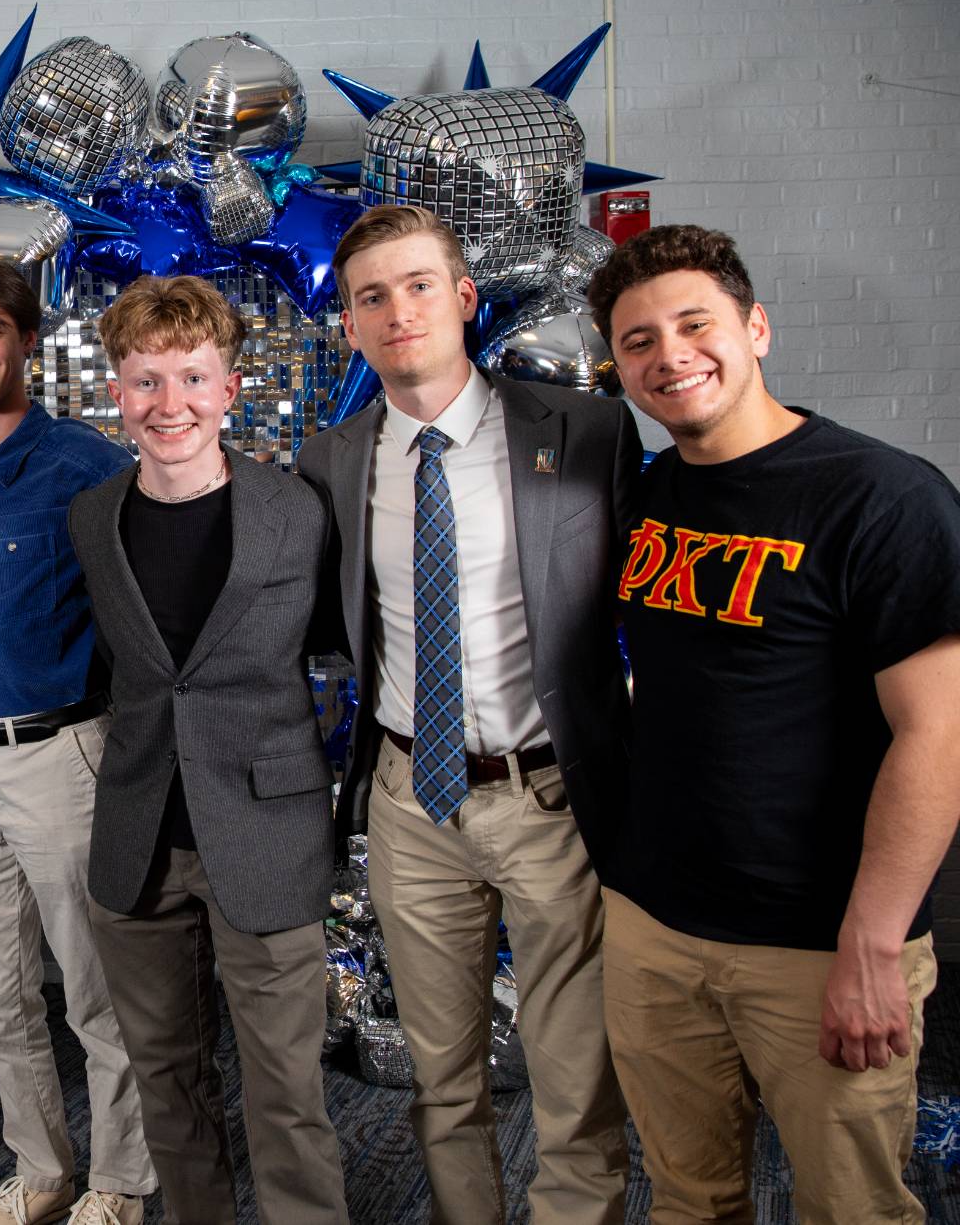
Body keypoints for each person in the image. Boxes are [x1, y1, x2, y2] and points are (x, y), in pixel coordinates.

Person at [588, 224, 960, 1223]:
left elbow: (937, 735)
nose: (668, 354)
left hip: (816, 940)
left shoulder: (881, 497)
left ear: (753, 328)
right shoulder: (647, 493)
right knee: (686, 1196)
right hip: (652, 921)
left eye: (693, 323)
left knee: (850, 1206)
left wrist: (873, 945)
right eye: (635, 341)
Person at [297, 205, 633, 1224]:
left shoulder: (583, 431)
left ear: (462, 298)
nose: (396, 311)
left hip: (546, 796)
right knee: (442, 1082)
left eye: (415, 285)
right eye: (369, 297)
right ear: (348, 326)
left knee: (574, 1079)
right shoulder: (333, 458)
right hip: (410, 802)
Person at [67, 276, 351, 1224]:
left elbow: (342, 642)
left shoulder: (299, 510)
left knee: (286, 1092)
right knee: (168, 1083)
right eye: (146, 380)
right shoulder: (93, 519)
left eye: (192, 377)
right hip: (139, 834)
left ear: (230, 387)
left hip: (267, 834)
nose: (169, 403)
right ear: (118, 391)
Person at [0, 259, 156, 1225]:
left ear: (26, 339)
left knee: (96, 995)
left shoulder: (85, 464)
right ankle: (43, 1170)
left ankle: (120, 1183)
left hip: (61, 755)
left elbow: (140, 616)